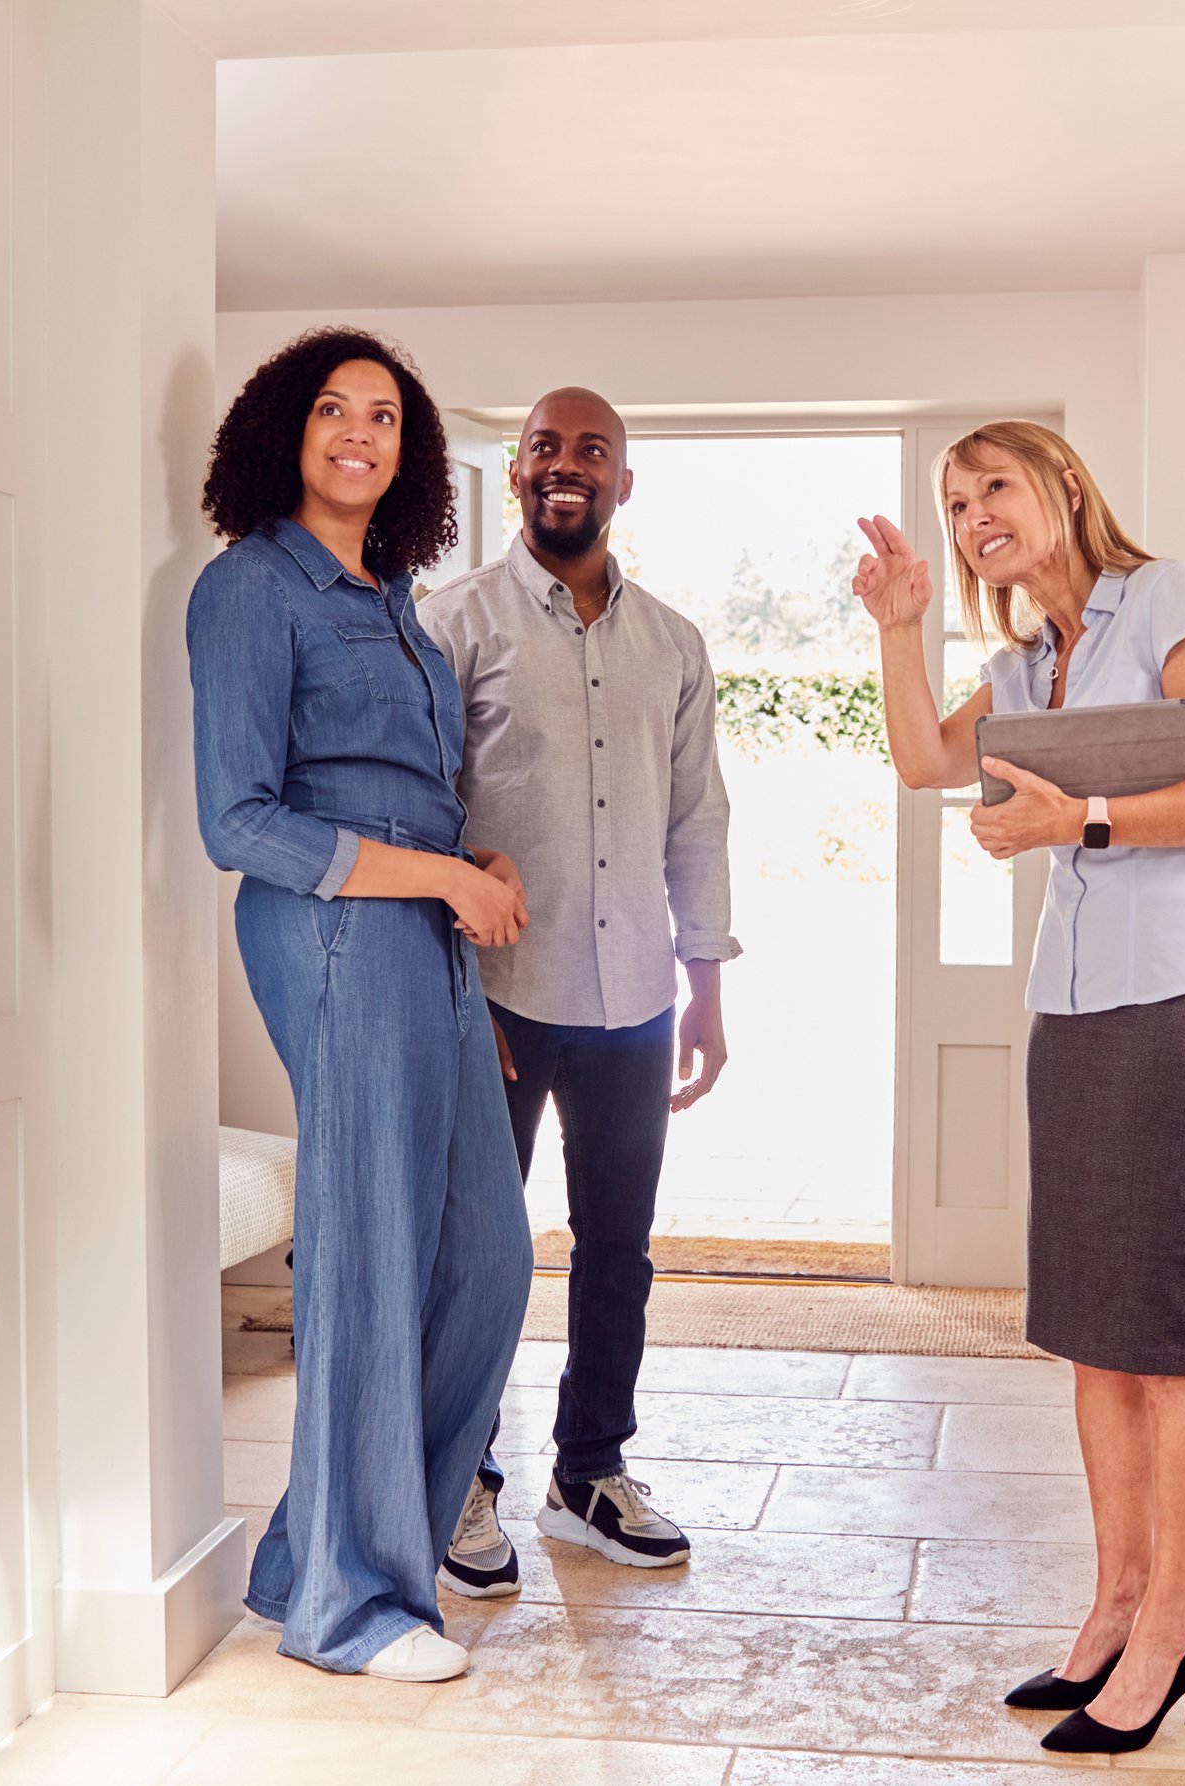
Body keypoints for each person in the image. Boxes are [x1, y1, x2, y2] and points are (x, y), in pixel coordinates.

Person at [851, 420, 1185, 1754]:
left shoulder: (1171, 603)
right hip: (1077, 1010)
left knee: (1169, 1335)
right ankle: (1112, 1608)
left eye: (994, 484)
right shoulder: (1025, 663)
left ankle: (1172, 1629)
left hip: (1177, 1001)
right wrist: (898, 625)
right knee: (1098, 1331)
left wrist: (1075, 821)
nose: (974, 509)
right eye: (953, 496)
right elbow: (927, 760)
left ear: (1063, 489)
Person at [186, 327, 535, 1684]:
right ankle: (354, 1604)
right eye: (333, 410)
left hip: (429, 943)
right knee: (366, 1256)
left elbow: (416, 786)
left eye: (383, 417)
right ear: (285, 429)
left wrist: (472, 866)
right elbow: (241, 819)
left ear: (411, 451)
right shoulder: (250, 587)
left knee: (488, 1261)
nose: (358, 434)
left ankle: (304, 1559)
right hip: (332, 933)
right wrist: (440, 873)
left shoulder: (392, 596)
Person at [417, 386, 738, 1596]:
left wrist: (705, 987)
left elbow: (698, 822)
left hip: (634, 1000)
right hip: (494, 1000)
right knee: (478, 1254)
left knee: (620, 1251)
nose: (567, 466)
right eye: (545, 447)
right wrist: (458, 984)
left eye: (590, 450)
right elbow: (423, 815)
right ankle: (462, 1479)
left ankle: (588, 1474)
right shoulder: (454, 624)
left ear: (622, 481)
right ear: (514, 476)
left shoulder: (675, 646)